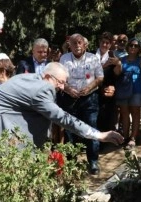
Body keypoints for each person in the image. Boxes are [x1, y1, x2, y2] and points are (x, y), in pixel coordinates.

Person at [0, 62, 123, 149]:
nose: (62, 87)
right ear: (48, 76)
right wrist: (98, 135)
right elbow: (61, 117)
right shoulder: (42, 88)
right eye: (60, 82)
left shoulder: (29, 78)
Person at [59, 33, 104, 175]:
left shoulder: (93, 58)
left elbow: (100, 77)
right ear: (69, 45)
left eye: (80, 43)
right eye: (74, 43)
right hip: (69, 98)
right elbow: (59, 79)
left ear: (85, 45)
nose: (77, 45)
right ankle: (72, 162)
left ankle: (93, 161)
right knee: (70, 130)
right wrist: (68, 89)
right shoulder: (64, 58)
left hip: (89, 98)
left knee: (91, 128)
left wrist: (89, 87)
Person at [116, 38, 141, 149]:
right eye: (131, 45)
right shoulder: (121, 59)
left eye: (136, 46)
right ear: (128, 47)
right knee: (124, 113)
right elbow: (117, 73)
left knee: (135, 113)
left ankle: (133, 138)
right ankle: (125, 136)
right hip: (123, 90)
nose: (133, 47)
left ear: (139, 48)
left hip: (137, 89)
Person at [95, 32, 122, 132]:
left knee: (107, 118)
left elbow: (117, 74)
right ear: (99, 42)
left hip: (108, 92)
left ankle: (105, 144)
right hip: (94, 91)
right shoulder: (91, 55)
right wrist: (104, 66)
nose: (104, 45)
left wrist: (118, 64)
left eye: (107, 43)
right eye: (103, 42)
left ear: (110, 45)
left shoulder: (113, 56)